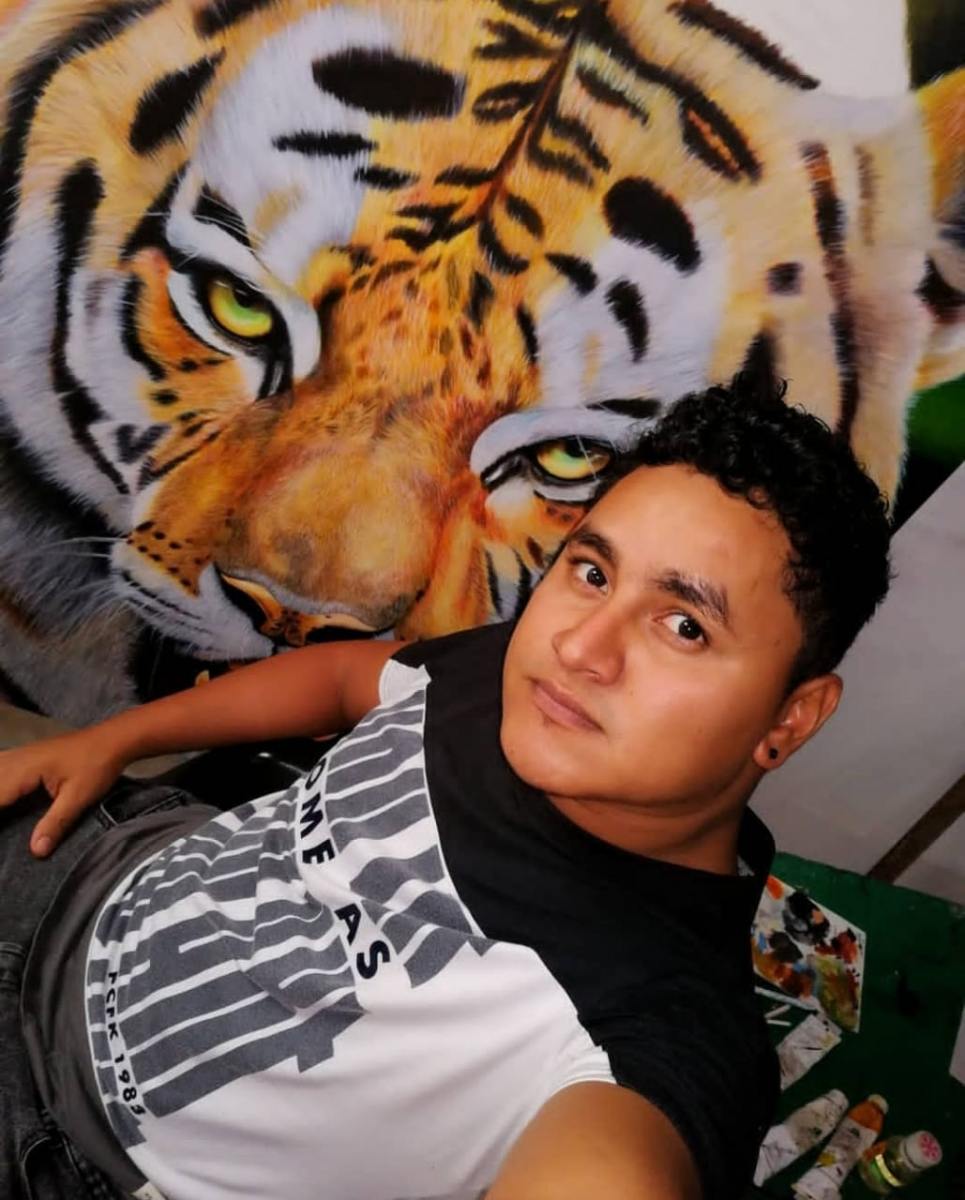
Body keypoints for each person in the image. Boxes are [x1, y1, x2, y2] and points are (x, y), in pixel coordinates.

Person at [0, 378, 892, 1200]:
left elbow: (613, 1166)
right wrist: (113, 741)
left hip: (68, 1147)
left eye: (683, 625)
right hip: (98, 856)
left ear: (791, 719)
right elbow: (344, 681)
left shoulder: (657, 1033)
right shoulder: (522, 678)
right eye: (591, 571)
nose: (579, 647)